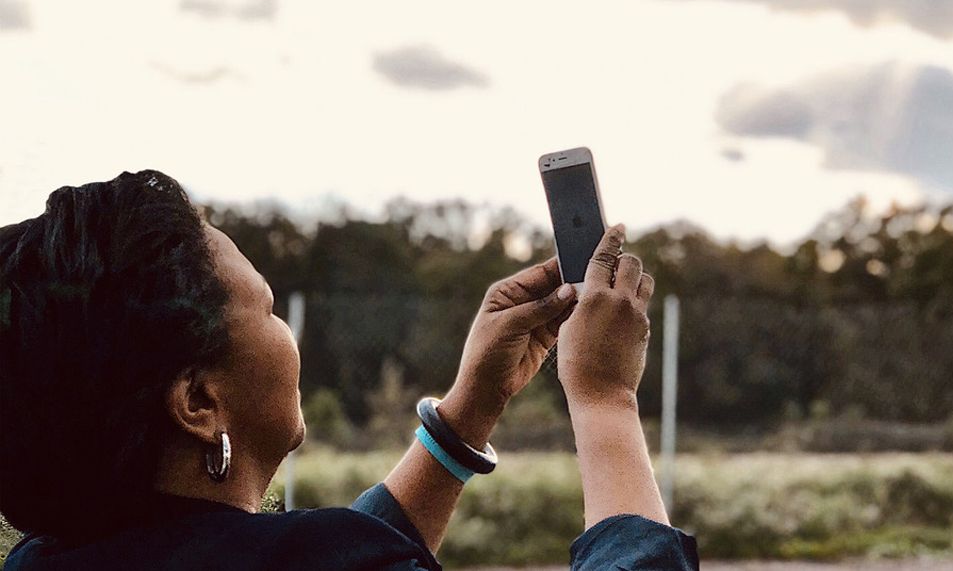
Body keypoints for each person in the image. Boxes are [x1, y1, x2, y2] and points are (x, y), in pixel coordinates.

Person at [0, 170, 698, 570]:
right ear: (198, 400)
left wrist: (467, 412)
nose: (284, 329)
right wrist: (605, 400)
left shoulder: (38, 560)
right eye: (269, 307)